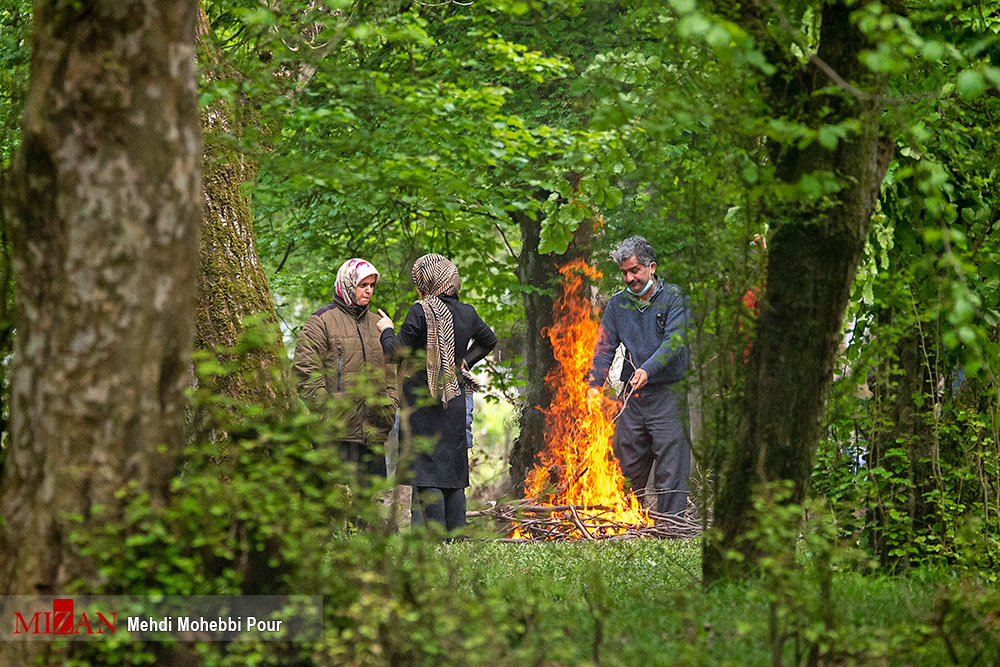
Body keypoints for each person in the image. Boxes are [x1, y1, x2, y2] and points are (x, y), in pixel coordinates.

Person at [380, 253, 497, 533]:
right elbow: (488, 341)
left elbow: (394, 353)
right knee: (454, 475)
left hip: (422, 402)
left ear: (427, 281)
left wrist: (386, 330)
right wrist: (464, 361)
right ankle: (455, 539)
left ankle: (432, 541)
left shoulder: (421, 311)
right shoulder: (467, 312)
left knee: (425, 470)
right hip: (454, 399)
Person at [586, 236, 691, 516]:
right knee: (626, 467)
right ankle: (626, 524)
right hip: (632, 398)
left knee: (671, 468)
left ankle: (671, 529)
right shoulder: (618, 305)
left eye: (635, 271)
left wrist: (648, 369)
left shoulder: (674, 298)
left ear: (651, 267)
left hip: (668, 396)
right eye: (624, 273)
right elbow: (604, 347)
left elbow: (674, 343)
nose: (629, 278)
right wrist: (595, 384)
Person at [293, 258, 397, 484]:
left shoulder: (379, 324)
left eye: (372, 285)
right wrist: (328, 410)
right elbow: (304, 371)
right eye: (363, 285)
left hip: (373, 434)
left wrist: (390, 405)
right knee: (336, 508)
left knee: (370, 508)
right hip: (336, 436)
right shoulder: (321, 321)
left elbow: (392, 372)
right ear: (348, 284)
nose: (369, 291)